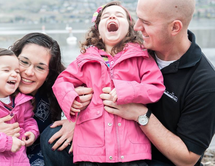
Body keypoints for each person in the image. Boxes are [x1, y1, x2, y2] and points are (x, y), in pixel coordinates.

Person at [99, 0, 215, 165]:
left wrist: (141, 115)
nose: (137, 27)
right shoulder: (131, 50)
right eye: (138, 18)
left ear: (175, 27)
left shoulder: (205, 83)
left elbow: (188, 158)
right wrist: (74, 118)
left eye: (146, 22)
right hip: (115, 151)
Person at [52, 1, 165, 165]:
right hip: (90, 150)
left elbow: (155, 87)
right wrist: (72, 98)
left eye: (119, 15)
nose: (112, 16)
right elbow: (62, 82)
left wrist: (127, 90)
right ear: (98, 29)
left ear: (130, 28)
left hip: (132, 151)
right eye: (106, 16)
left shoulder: (141, 57)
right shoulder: (84, 60)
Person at [0, 33, 66, 166]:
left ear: (49, 73)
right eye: (24, 62)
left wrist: (76, 123)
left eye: (40, 67)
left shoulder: (58, 90)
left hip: (41, 157)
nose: (29, 72)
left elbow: (94, 101)